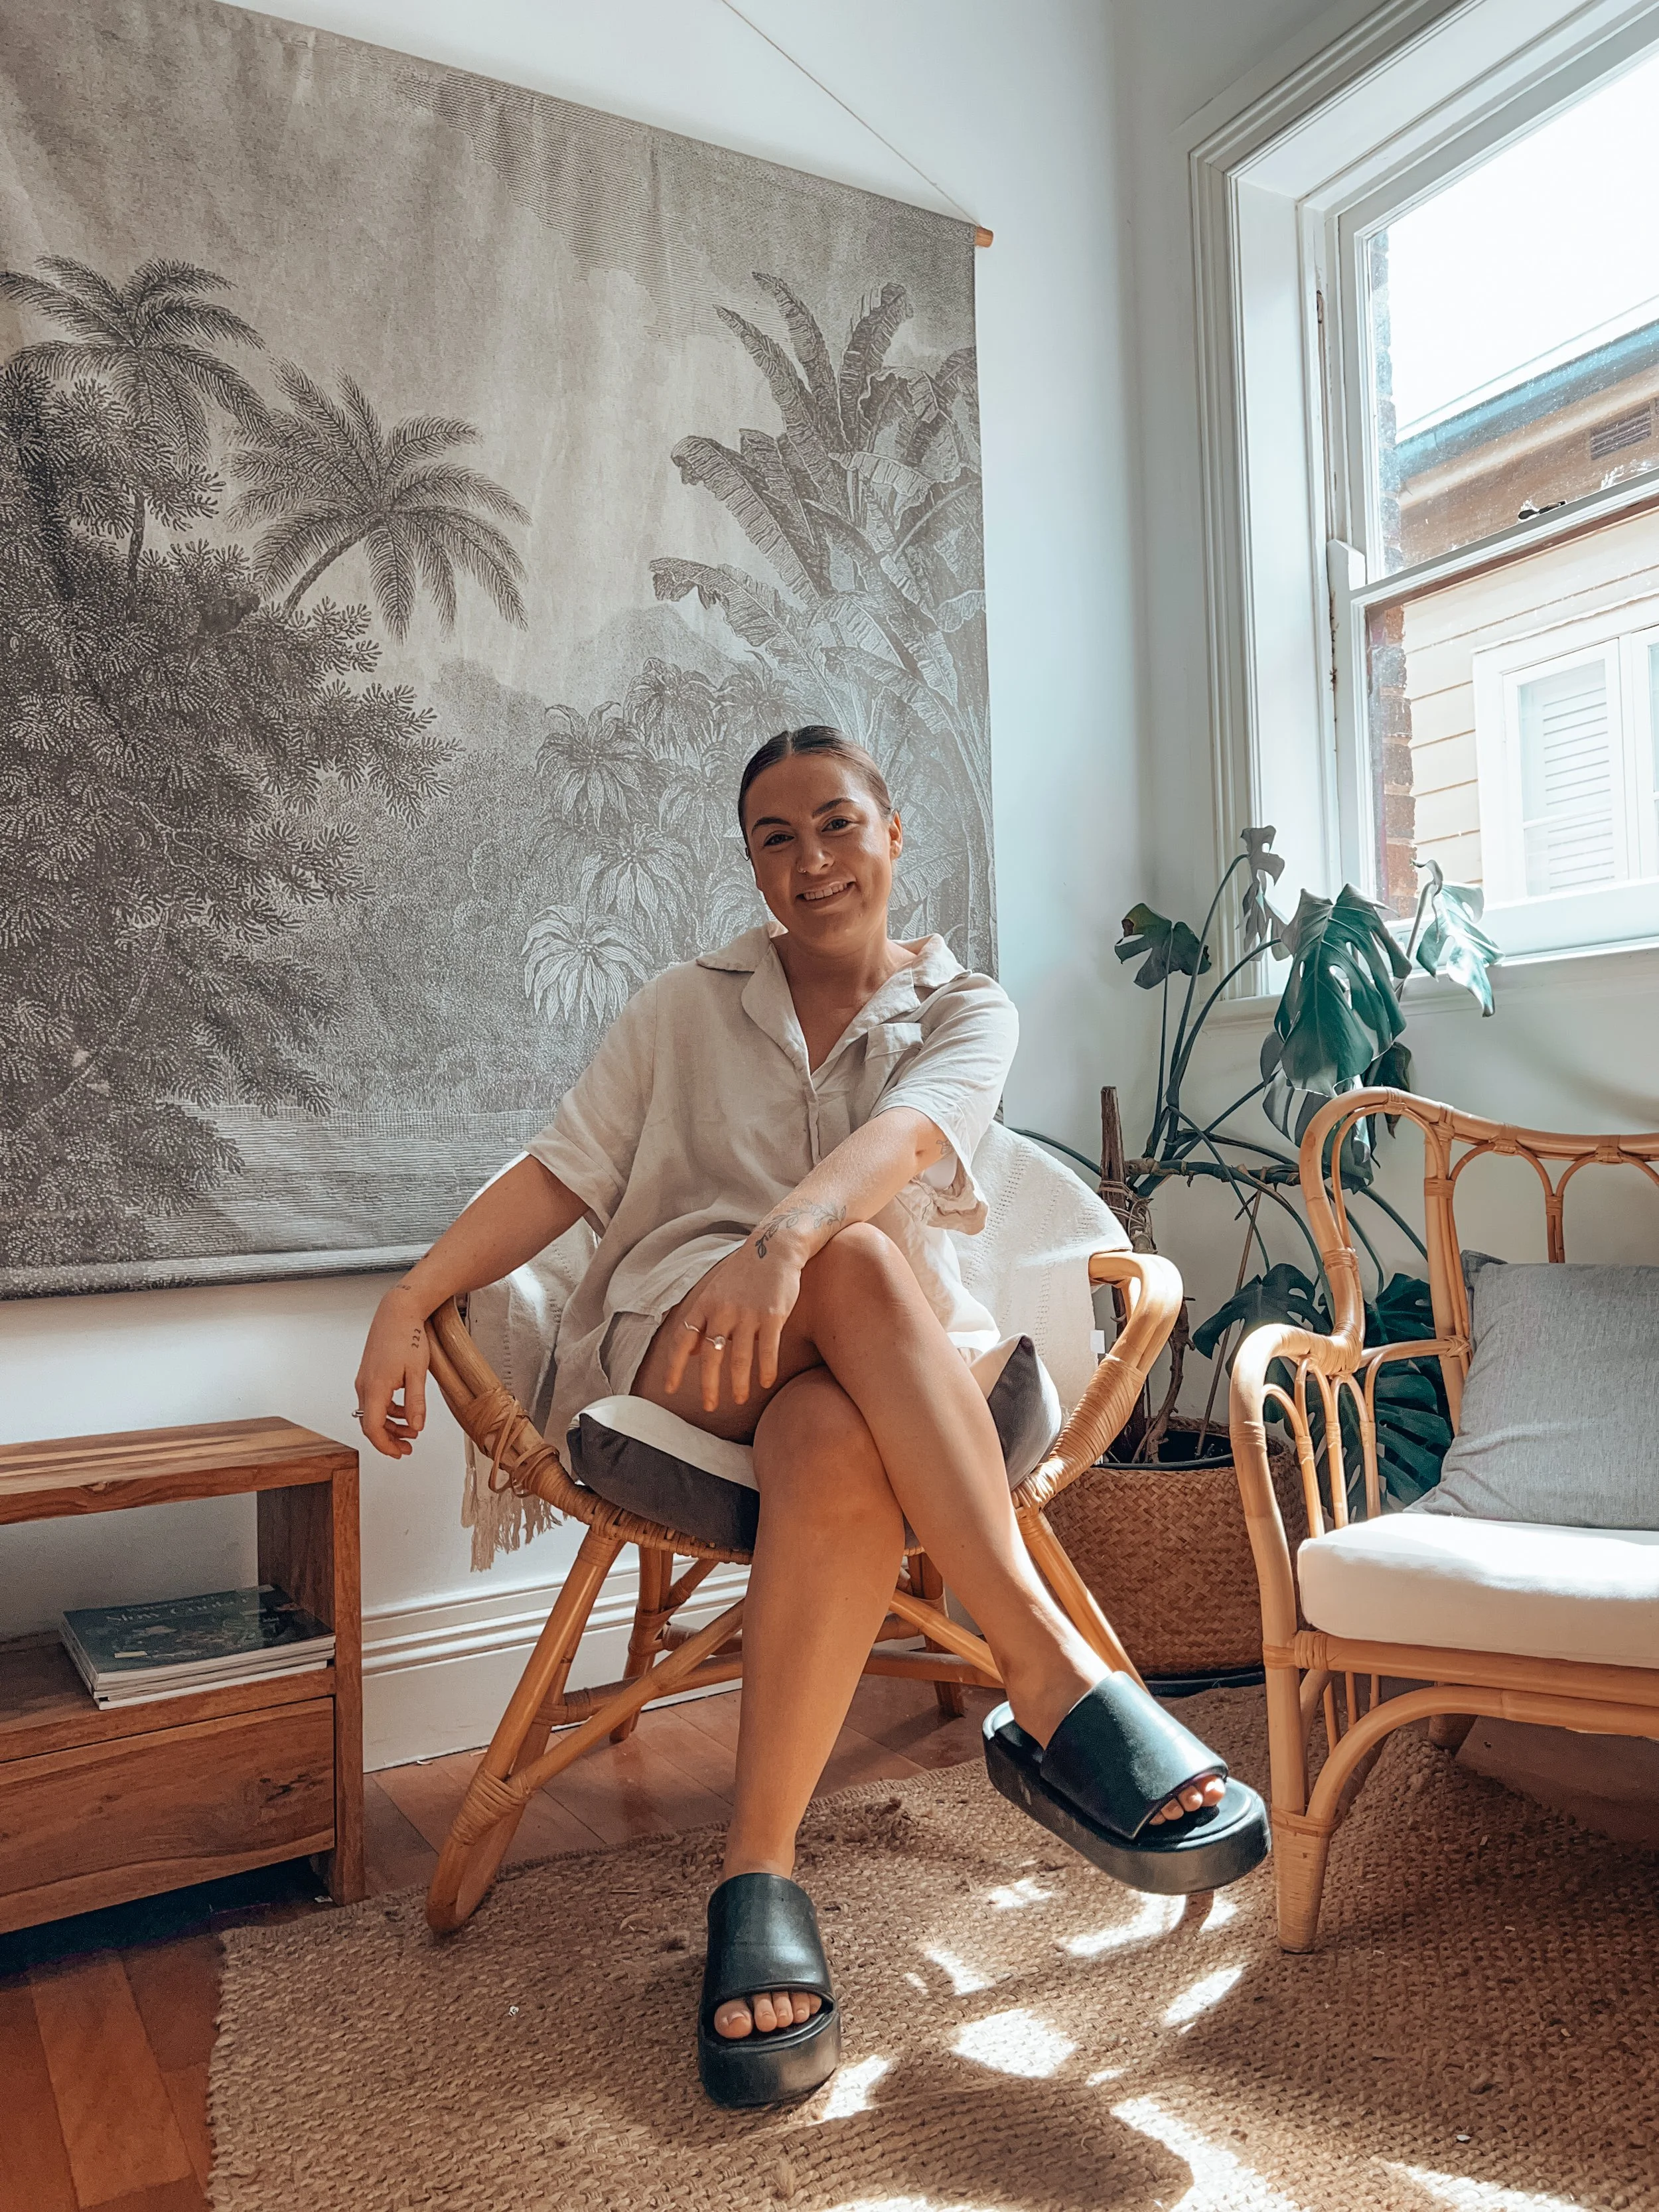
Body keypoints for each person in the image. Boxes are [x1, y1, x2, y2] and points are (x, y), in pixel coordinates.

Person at [356, 725, 1260, 2110]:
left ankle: (756, 1870)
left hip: (883, 1364)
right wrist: (404, 1298)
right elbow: (560, 1173)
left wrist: (787, 1236)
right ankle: (1047, 1673)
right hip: (681, 1344)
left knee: (834, 1419)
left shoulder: (968, 1010)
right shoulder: (679, 1005)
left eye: (836, 824)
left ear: (893, 836)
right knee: (842, 1259)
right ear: (752, 868)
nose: (809, 859)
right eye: (774, 838)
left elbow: (904, 1141)